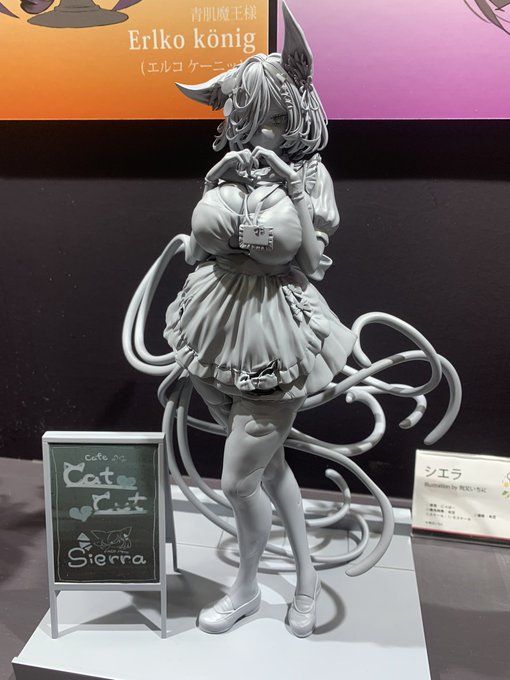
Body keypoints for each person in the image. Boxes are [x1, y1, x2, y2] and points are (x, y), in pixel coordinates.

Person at [164, 2, 356, 637]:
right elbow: (203, 250)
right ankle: (306, 579)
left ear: (296, 112)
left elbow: (313, 264)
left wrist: (291, 188)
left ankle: (245, 588)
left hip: (274, 332)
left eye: (271, 117)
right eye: (246, 118)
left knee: (238, 481)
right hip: (212, 324)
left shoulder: (310, 176)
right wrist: (211, 189)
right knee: (268, 469)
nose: (257, 131)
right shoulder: (233, 170)